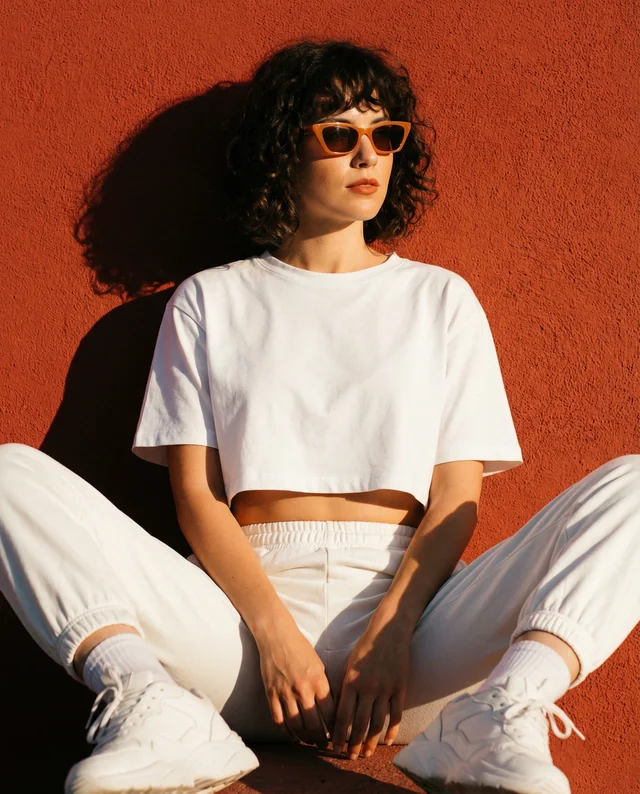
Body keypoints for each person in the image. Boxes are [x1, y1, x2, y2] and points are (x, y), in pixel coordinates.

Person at [0, 37, 638, 794]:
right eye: (339, 134)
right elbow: (197, 500)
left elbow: (457, 500)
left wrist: (394, 634)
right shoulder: (211, 300)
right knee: (7, 472)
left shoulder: (440, 300)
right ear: (280, 153)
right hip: (239, 635)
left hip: (413, 640)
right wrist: (274, 639)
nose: (367, 154)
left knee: (634, 484)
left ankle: (498, 712)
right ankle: (155, 705)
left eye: (385, 135)